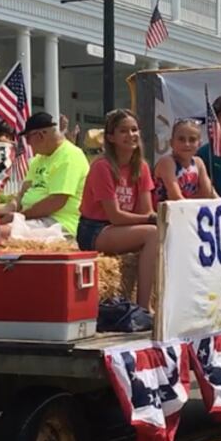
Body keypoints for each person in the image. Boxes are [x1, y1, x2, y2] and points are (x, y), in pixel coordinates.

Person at [77, 110, 160, 309]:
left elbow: (145, 211)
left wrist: (151, 218)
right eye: (123, 131)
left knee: (163, 234)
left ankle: (161, 302)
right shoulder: (102, 167)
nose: (130, 135)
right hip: (95, 229)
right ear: (110, 137)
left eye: (134, 130)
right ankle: (143, 306)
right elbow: (115, 216)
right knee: (153, 234)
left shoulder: (141, 167)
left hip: (121, 228)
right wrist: (150, 219)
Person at [0, 111, 90, 240]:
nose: (27, 143)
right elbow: (23, 193)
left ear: (40, 135)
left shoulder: (70, 156)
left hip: (59, 222)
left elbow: (56, 201)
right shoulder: (39, 158)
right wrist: (9, 208)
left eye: (28, 138)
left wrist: (19, 217)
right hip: (34, 218)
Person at [154, 118, 217, 204]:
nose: (186, 144)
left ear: (199, 144)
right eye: (181, 139)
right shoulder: (167, 162)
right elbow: (175, 197)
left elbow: (209, 193)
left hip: (187, 210)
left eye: (192, 140)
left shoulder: (198, 163)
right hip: (164, 214)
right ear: (171, 143)